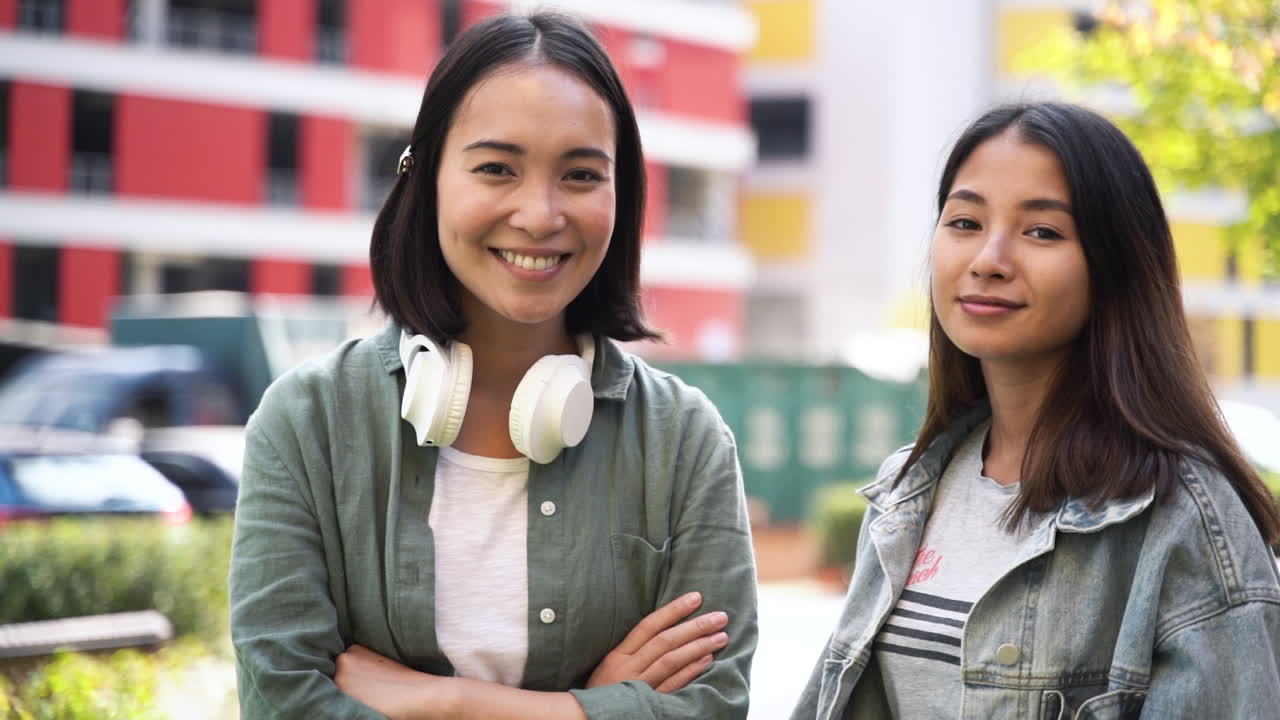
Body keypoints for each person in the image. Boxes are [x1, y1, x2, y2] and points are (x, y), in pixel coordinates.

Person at [229, 12, 757, 720]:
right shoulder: (308, 423)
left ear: (618, 194)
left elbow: (713, 707)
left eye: (579, 175)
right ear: (428, 178)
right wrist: (594, 707)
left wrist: (446, 704)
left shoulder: (684, 441)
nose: (539, 216)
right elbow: (283, 705)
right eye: (496, 169)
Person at [791, 102, 1280, 719]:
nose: (989, 259)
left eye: (1042, 232)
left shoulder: (1184, 521)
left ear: (1114, 267)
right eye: (965, 222)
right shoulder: (904, 496)